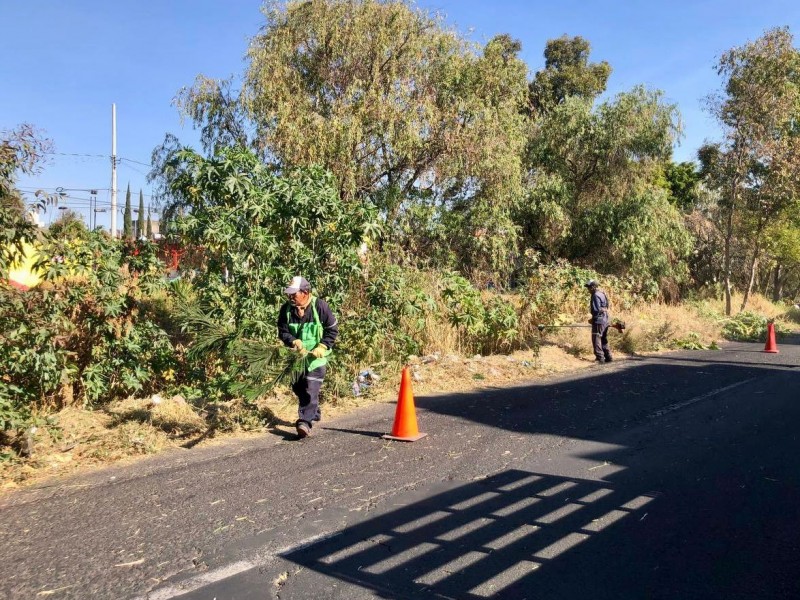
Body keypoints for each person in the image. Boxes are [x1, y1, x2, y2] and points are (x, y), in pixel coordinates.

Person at [277, 276, 339, 438]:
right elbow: (283, 331)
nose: (291, 297)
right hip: (297, 359)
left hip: (316, 359)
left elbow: (332, 330)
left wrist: (323, 346)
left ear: (305, 292)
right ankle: (314, 411)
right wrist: (292, 341)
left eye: (294, 294)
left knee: (311, 389)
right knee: (298, 388)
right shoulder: (286, 310)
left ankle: (304, 422)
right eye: (289, 294)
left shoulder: (320, 307)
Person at [585, 279, 612, 363]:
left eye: (589, 287)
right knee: (603, 338)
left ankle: (600, 358)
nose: (588, 289)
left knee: (596, 338)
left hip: (599, 320)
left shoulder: (595, 295)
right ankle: (608, 357)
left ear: (593, 287)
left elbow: (596, 310)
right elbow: (606, 306)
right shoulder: (602, 293)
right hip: (605, 319)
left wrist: (593, 319)